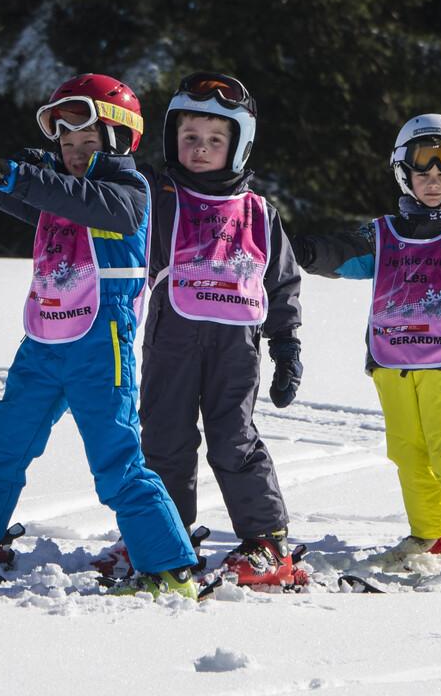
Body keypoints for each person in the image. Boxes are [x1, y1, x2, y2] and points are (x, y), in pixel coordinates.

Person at [0, 74, 201, 598]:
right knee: (2, 443)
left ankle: (169, 569)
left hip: (101, 344)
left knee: (116, 460)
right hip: (45, 340)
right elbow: (27, 189)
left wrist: (6, 172)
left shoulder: (129, 194)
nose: (74, 152)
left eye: (87, 140)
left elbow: (64, 193)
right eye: (67, 142)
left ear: (120, 139)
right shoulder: (57, 188)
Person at [292, 114, 441, 587]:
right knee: (408, 452)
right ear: (404, 173)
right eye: (423, 168)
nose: (434, 179)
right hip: (393, 363)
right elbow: (341, 254)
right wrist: (302, 249)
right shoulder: (382, 236)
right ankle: (437, 533)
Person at [136, 72, 304, 589]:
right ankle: (165, 537)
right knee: (164, 438)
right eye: (190, 137)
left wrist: (286, 345)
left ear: (239, 145)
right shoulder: (157, 196)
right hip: (172, 336)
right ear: (173, 139)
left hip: (236, 345)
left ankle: (267, 543)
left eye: (215, 139)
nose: (201, 148)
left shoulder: (259, 213)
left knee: (234, 440)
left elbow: (282, 283)